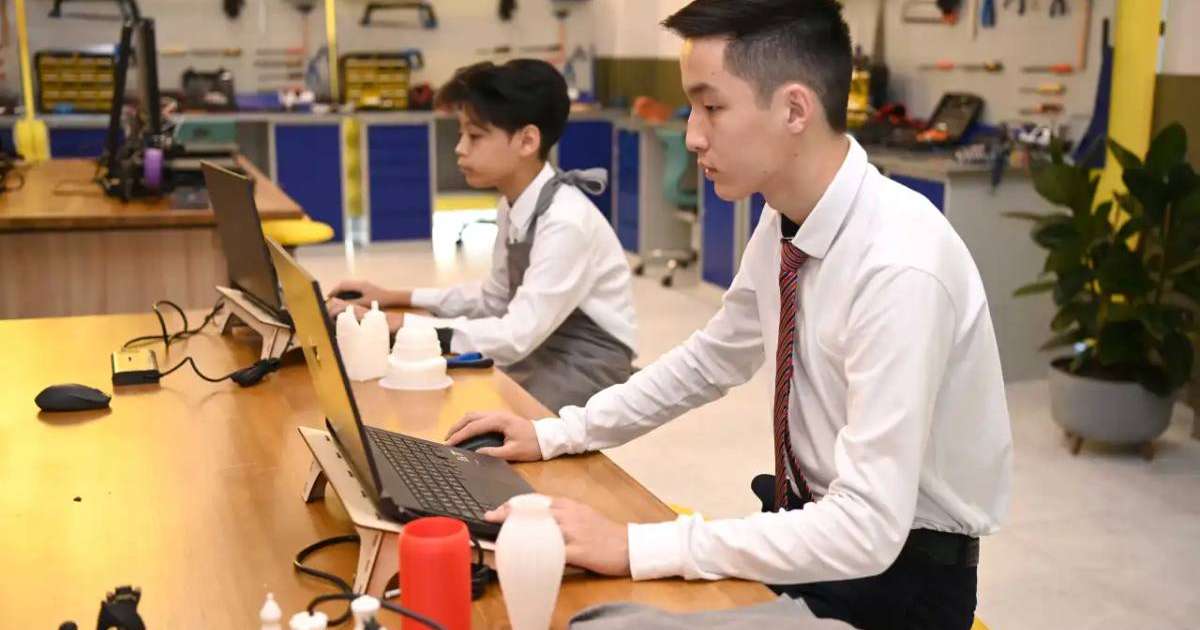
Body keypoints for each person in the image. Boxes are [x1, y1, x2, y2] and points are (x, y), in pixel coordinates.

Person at [444, 2, 1013, 628]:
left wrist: (636, 544)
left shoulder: (899, 264)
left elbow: (867, 527)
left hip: (894, 585)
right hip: (809, 537)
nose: (691, 134)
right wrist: (559, 433)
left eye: (711, 106)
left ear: (795, 109)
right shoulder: (784, 218)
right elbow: (714, 356)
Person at [330, 59, 638, 412]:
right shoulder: (514, 204)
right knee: (433, 392)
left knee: (472, 419)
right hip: (539, 347)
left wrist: (402, 324)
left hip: (586, 367)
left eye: (474, 136)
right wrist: (392, 297)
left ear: (527, 141)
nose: (460, 148)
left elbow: (513, 338)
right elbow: (493, 300)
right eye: (462, 134)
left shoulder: (565, 223)